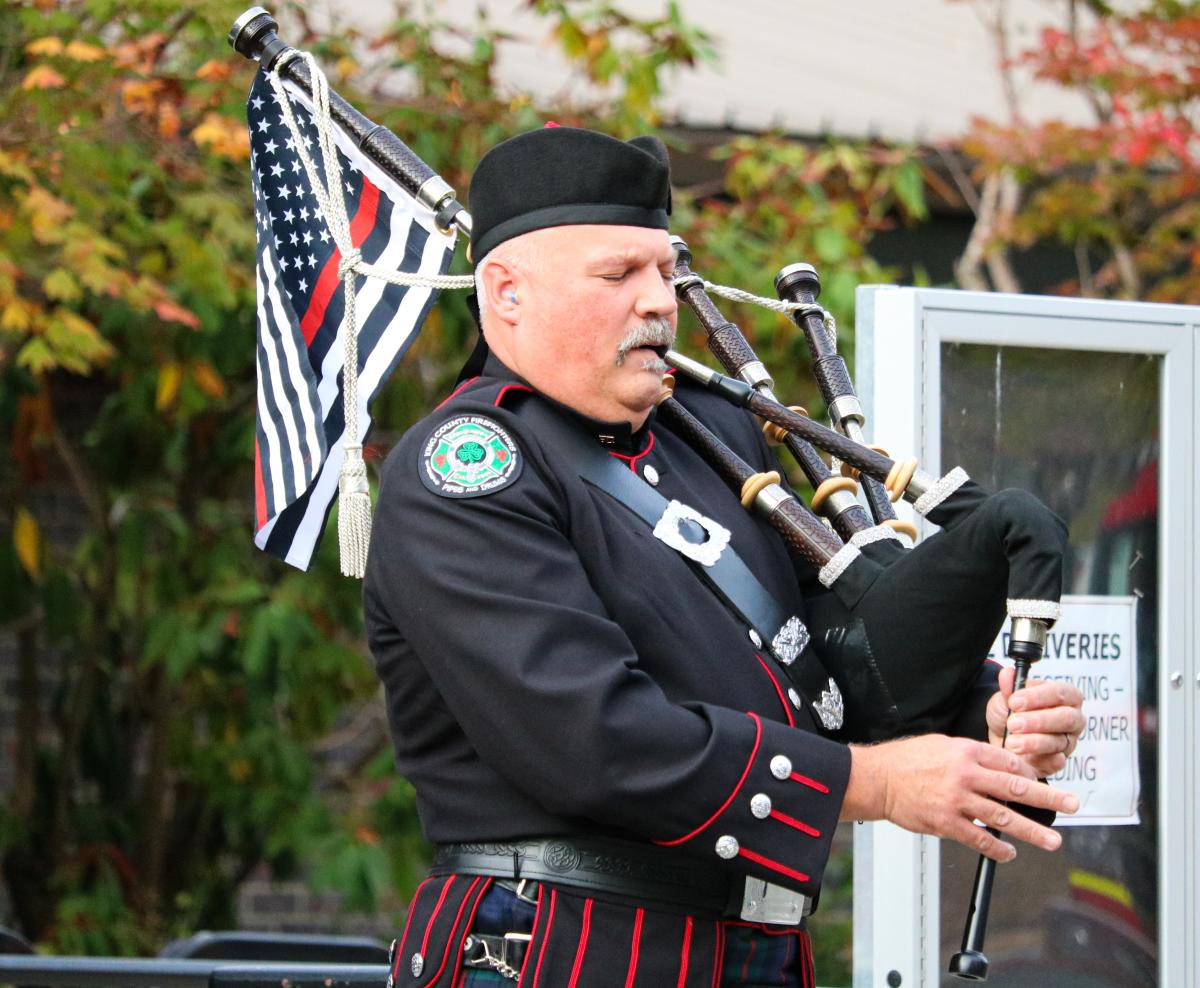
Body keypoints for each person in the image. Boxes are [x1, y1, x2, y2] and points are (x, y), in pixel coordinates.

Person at [363, 126, 1085, 988]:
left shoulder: (716, 438)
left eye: (666, 270)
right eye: (618, 274)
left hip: (758, 946)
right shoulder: (470, 470)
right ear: (507, 291)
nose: (659, 301)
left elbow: (817, 672)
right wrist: (878, 784)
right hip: (559, 945)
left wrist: (980, 720)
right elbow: (596, 742)